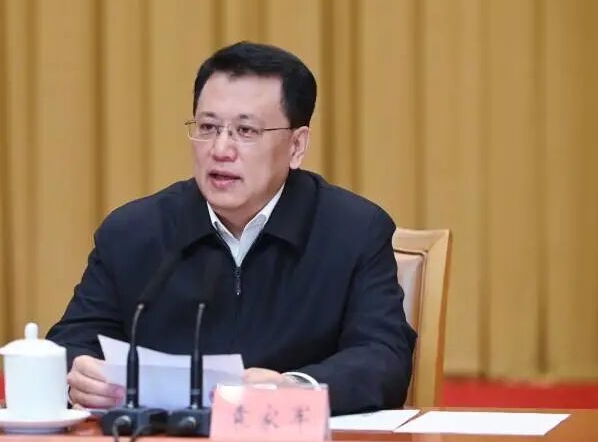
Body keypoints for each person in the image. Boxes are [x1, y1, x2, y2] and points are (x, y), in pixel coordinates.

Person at [47, 41, 416, 415]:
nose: (220, 149)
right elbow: (71, 344)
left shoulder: (353, 231)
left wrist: (294, 388)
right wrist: (81, 375)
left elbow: (383, 359)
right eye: (208, 127)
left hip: (291, 438)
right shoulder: (133, 232)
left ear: (296, 146)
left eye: (246, 130)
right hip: (166, 438)